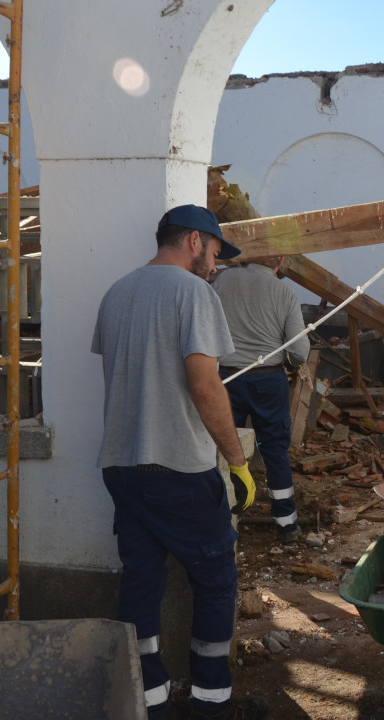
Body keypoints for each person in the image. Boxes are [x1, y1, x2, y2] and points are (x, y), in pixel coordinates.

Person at [91, 204, 267, 720]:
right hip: (179, 469)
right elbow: (204, 383)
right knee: (215, 580)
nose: (215, 266)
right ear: (194, 240)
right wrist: (237, 463)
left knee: (141, 582)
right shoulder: (194, 294)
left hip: (121, 467)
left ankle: (150, 701)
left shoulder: (116, 293)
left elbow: (124, 375)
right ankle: (212, 703)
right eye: (213, 253)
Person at [211, 256, 310, 544]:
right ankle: (287, 524)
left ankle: (224, 522)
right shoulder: (283, 291)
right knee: (275, 451)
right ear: (280, 261)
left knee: (222, 449)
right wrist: (288, 360)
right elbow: (300, 352)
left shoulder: (221, 280)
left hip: (224, 379)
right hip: (268, 380)